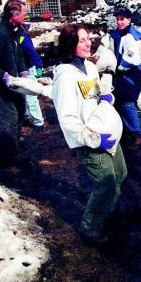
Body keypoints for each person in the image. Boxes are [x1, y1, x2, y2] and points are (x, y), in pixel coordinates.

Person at [52, 24, 127, 244]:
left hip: (105, 130)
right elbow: (67, 119)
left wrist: (106, 97)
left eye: (88, 39)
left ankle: (107, 210)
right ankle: (90, 225)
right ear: (69, 44)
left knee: (120, 174)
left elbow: (94, 96)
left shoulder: (91, 68)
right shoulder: (66, 77)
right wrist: (93, 139)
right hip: (88, 139)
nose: (88, 43)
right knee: (105, 184)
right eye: (81, 40)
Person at [0, 0, 31, 166]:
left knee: (19, 111)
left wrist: (22, 70)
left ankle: (14, 143)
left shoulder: (15, 31)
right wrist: (4, 75)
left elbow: (18, 54)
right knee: (8, 118)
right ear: (14, 14)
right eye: (24, 13)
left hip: (14, 81)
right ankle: (9, 156)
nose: (26, 15)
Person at [110, 7, 141, 151]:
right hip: (122, 73)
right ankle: (127, 134)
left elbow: (131, 58)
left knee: (127, 102)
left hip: (132, 73)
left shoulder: (132, 37)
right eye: (117, 19)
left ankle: (137, 136)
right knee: (119, 100)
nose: (119, 22)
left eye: (122, 19)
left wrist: (118, 68)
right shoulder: (118, 34)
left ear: (129, 20)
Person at [19, 26, 44, 132]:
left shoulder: (22, 37)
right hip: (18, 69)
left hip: (28, 69)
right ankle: (24, 116)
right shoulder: (10, 36)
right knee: (20, 96)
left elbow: (31, 52)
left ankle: (38, 122)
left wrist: (38, 65)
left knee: (30, 97)